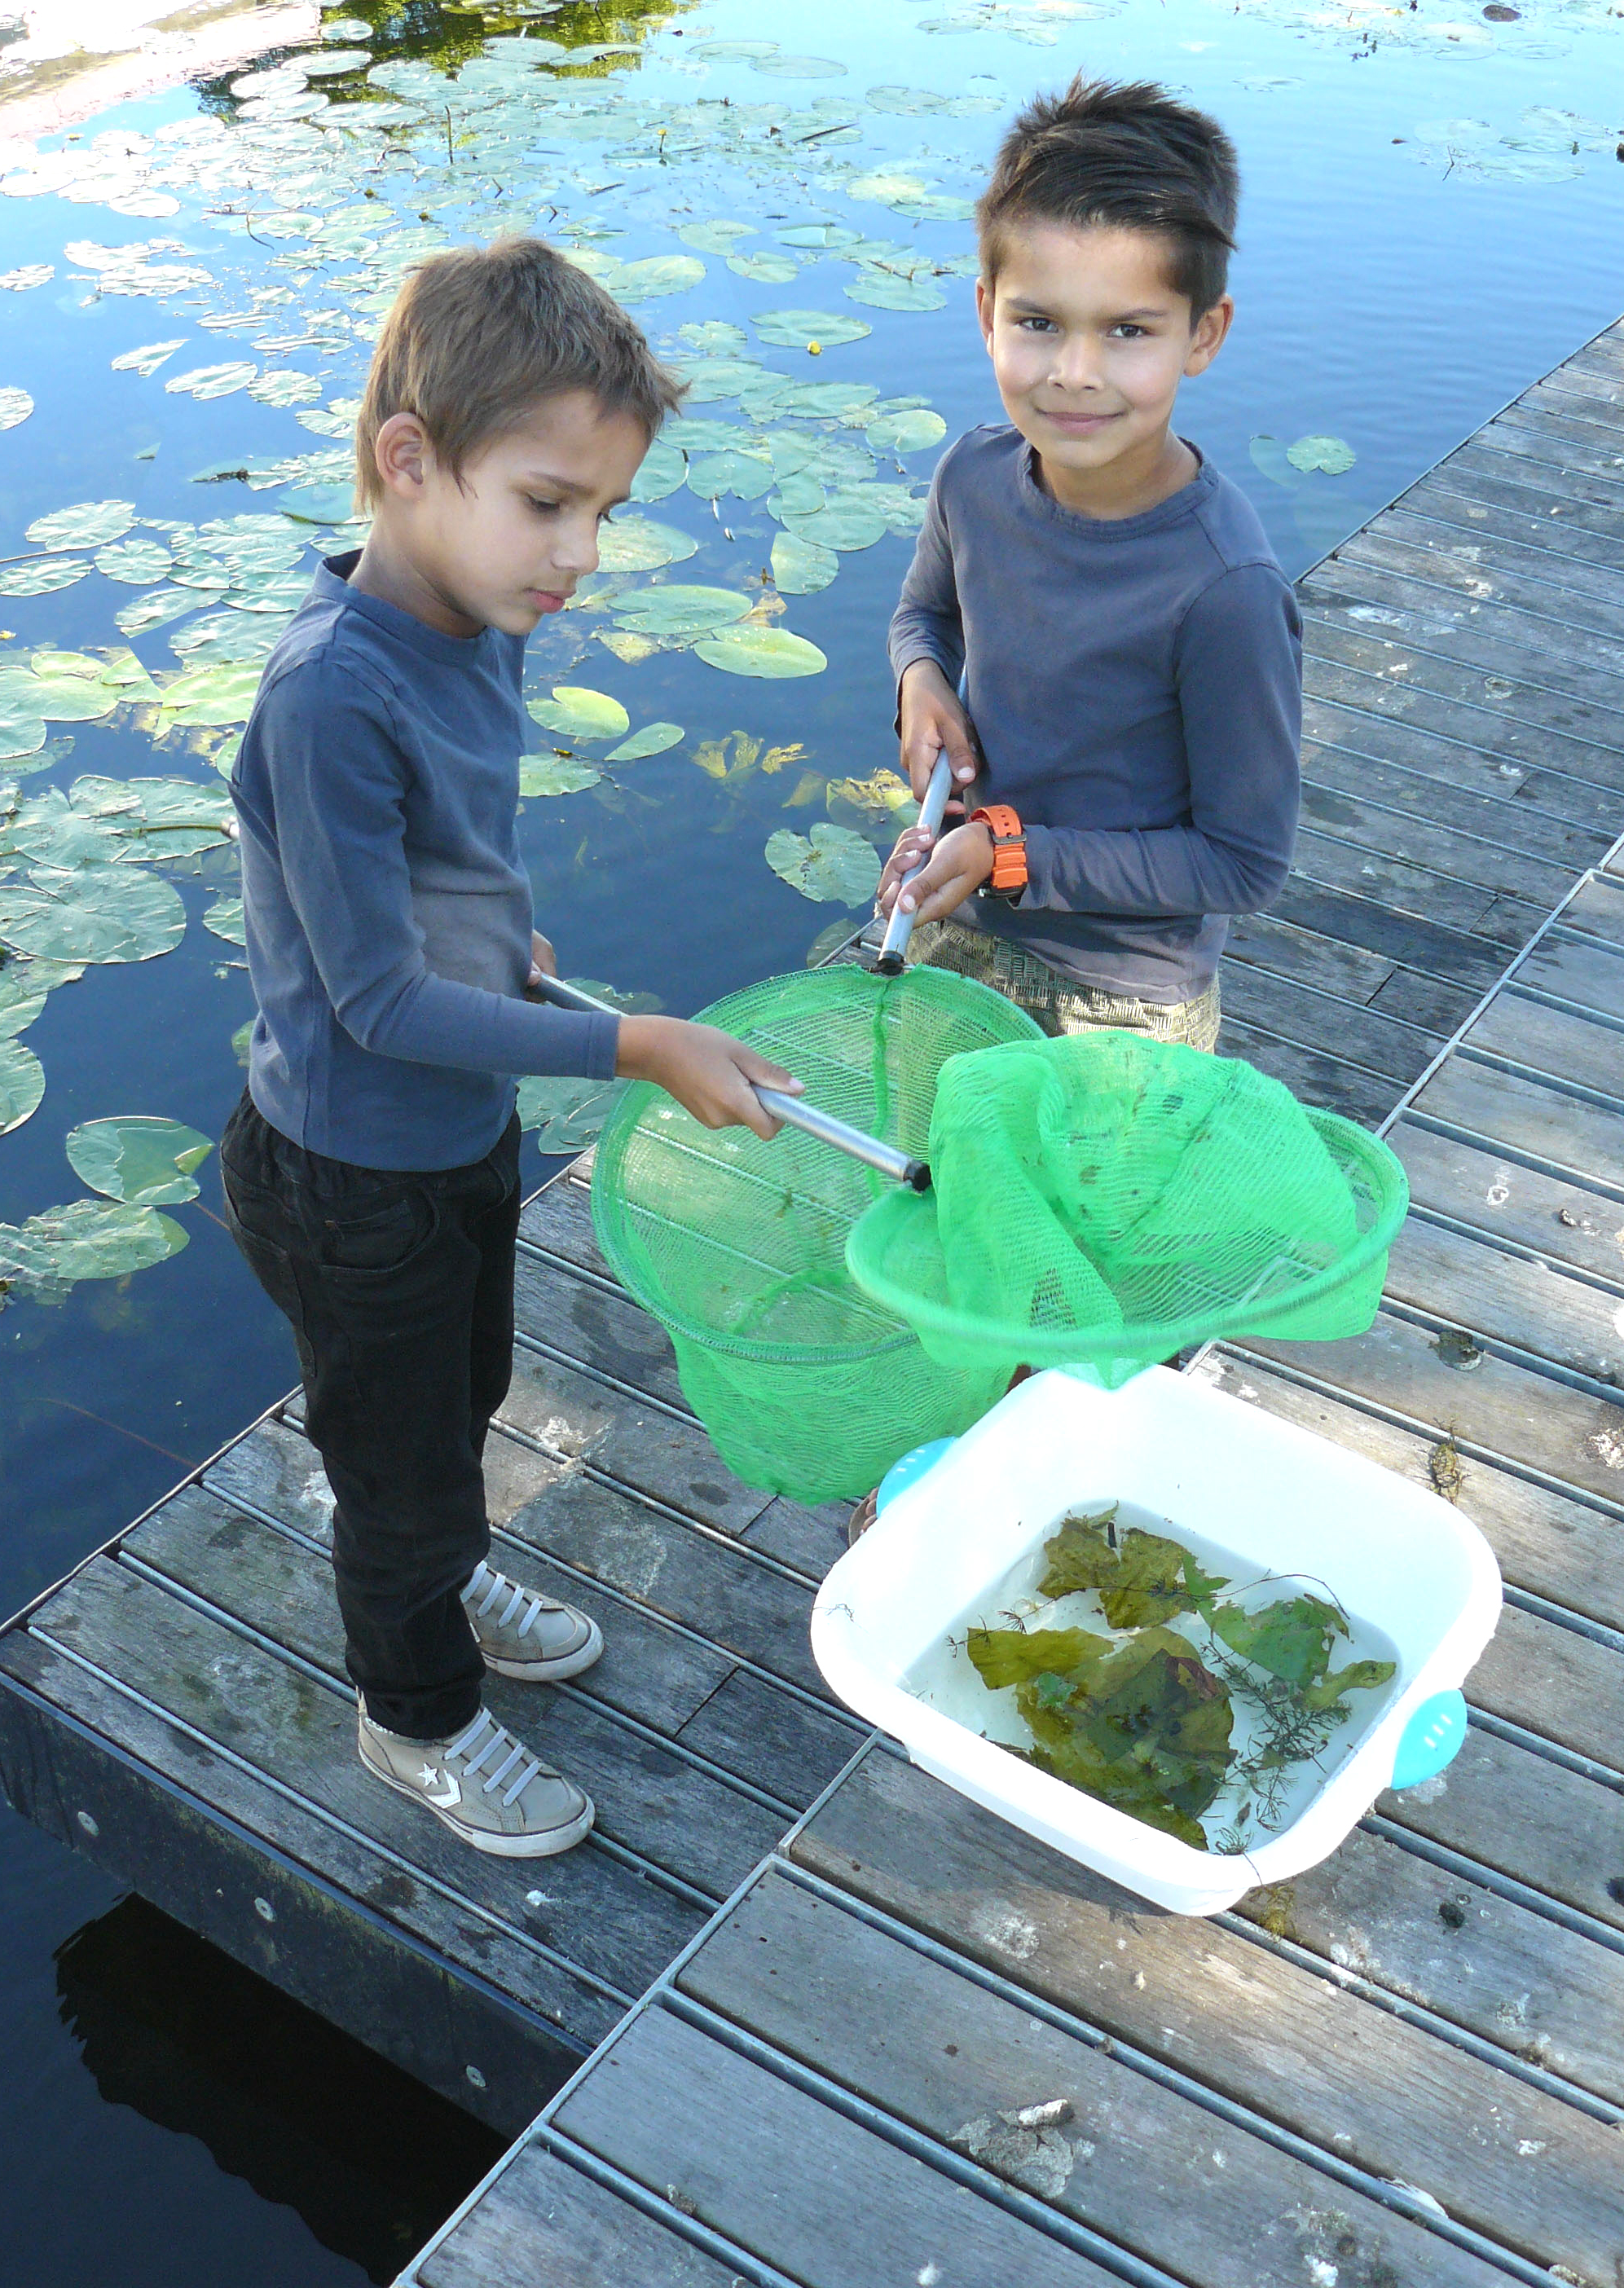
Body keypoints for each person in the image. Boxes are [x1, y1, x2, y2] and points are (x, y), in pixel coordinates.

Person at [219, 241, 796, 1859]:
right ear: (410, 462)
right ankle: (415, 1715)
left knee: (458, 1393)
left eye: (604, 513)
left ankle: (444, 1547)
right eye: (551, 502)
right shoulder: (328, 700)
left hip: (453, 1131)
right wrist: (622, 1042)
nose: (584, 556)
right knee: (391, 1471)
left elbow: (449, 865)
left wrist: (512, 951)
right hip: (350, 1175)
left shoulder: (480, 612)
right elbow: (375, 1004)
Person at [878, 74, 1301, 1054]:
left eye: (1127, 330)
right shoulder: (974, 477)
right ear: (986, 310)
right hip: (963, 923)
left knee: (1083, 1215)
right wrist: (921, 679)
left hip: (1118, 1005)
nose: (1075, 371)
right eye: (1039, 322)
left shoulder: (1224, 591)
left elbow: (1242, 864)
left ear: (1203, 334)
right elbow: (921, 615)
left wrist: (1012, 853)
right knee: (943, 1191)